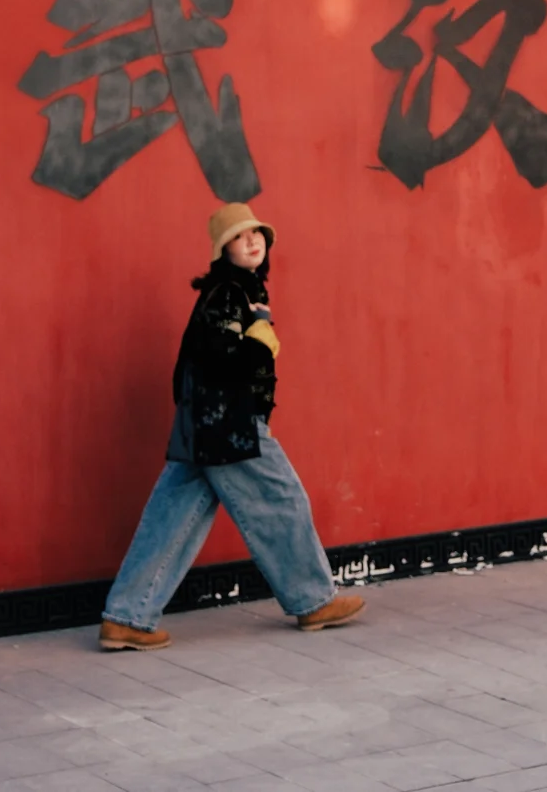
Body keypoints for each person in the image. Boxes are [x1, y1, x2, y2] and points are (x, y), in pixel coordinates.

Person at [99, 202, 364, 650]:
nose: (253, 241)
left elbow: (196, 364)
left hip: (204, 424)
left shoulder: (236, 291)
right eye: (241, 237)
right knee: (282, 500)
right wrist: (260, 345)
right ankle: (313, 599)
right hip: (226, 423)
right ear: (224, 249)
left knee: (172, 518)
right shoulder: (229, 293)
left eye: (258, 234)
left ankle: (127, 616)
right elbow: (224, 360)